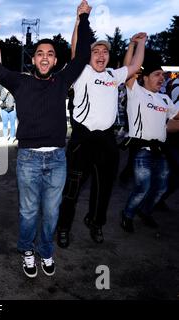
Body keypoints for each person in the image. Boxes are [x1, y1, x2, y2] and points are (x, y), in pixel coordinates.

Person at [0, 0, 92, 278]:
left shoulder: (62, 81)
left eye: (50, 54)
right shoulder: (21, 82)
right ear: (33, 59)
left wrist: (82, 19)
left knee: (52, 213)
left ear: (55, 61)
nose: (45, 57)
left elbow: (81, 56)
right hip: (29, 159)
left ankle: (45, 250)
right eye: (40, 53)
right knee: (28, 212)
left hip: (57, 159)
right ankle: (27, 251)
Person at [56, 25, 147, 247]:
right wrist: (79, 21)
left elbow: (134, 66)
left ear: (108, 57)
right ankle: (64, 227)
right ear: (89, 56)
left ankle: (96, 223)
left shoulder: (113, 76)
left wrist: (139, 42)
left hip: (107, 140)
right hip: (82, 140)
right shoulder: (81, 72)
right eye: (95, 52)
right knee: (72, 188)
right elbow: (76, 49)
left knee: (104, 188)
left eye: (104, 52)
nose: (100, 55)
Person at [120, 56, 179, 233]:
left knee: (162, 187)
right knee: (142, 187)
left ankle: (145, 211)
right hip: (142, 151)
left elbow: (174, 122)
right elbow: (127, 68)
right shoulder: (135, 91)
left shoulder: (165, 99)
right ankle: (128, 214)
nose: (161, 78)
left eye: (163, 75)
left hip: (160, 151)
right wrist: (134, 46)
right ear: (145, 77)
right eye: (156, 74)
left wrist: (168, 125)